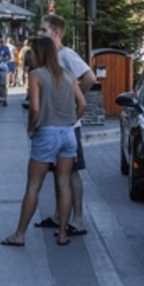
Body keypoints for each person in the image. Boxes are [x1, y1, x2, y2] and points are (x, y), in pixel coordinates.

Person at [1, 36, 87, 247]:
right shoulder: (68, 75)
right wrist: (71, 120)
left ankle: (19, 234)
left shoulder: (36, 75)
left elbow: (35, 108)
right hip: (68, 134)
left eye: (33, 52)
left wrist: (31, 127)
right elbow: (82, 103)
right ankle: (63, 234)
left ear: (39, 54)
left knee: (34, 185)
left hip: (46, 132)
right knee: (64, 183)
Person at [33, 13, 96, 236]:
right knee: (59, 172)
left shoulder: (67, 55)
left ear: (56, 33)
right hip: (54, 124)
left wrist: (73, 100)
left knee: (72, 172)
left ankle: (77, 220)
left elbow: (89, 77)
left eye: (43, 30)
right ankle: (60, 215)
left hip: (69, 125)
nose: (40, 34)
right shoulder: (50, 57)